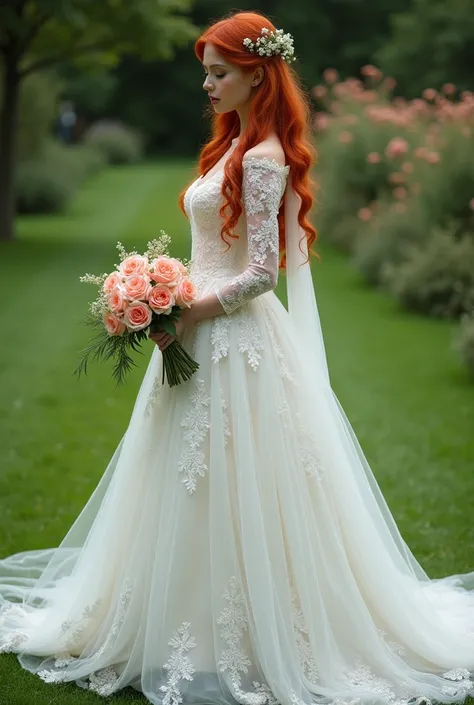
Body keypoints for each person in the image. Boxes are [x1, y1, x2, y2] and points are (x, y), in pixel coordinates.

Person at [1, 10, 474, 705]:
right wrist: (160, 290)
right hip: (198, 331)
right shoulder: (232, 146)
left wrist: (181, 309)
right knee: (184, 481)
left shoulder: (262, 158)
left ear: (258, 73)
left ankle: (250, 631)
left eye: (220, 72)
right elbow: (217, 252)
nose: (208, 83)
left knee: (241, 481)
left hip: (234, 340)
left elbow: (259, 273)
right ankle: (168, 619)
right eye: (206, 71)